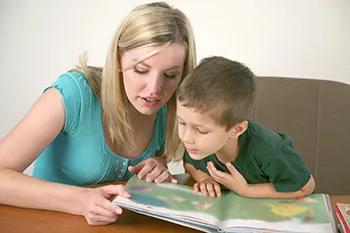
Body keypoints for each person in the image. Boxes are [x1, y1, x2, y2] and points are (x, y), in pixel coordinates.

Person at [0, 2, 196, 226]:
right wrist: (80, 200)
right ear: (119, 60)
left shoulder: (169, 108)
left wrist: (158, 165)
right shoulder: (74, 95)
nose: (154, 89)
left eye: (170, 75)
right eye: (141, 70)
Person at [173, 56, 315, 199]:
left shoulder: (269, 150)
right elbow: (190, 163)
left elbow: (306, 187)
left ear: (236, 130)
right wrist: (204, 178)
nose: (186, 138)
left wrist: (246, 190)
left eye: (201, 130)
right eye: (182, 122)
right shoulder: (199, 146)